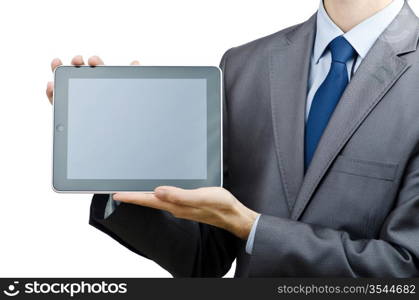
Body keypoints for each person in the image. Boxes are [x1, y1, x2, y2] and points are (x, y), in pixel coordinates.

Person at [46, 0, 419, 277]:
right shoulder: (245, 64)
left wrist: (252, 227)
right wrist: (118, 156)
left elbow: (407, 270)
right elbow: (204, 256)